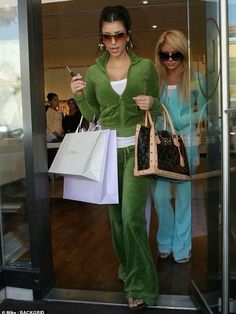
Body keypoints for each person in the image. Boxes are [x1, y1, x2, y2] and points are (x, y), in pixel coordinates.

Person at [70, 5, 162, 309]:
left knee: (132, 219)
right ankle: (128, 268)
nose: (113, 42)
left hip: (137, 151)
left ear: (128, 34)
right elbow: (92, 115)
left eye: (118, 35)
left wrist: (152, 102)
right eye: (107, 36)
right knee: (116, 221)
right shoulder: (95, 72)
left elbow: (157, 109)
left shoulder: (146, 67)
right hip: (108, 152)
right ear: (101, 37)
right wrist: (80, 94)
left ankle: (141, 285)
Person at [153, 30, 206, 263]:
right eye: (165, 55)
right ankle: (165, 240)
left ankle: (182, 247)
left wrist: (180, 121)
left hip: (187, 146)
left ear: (184, 54)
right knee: (160, 197)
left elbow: (203, 111)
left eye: (176, 55)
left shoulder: (196, 79)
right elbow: (151, 113)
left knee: (185, 199)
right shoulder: (156, 80)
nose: (171, 60)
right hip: (162, 145)